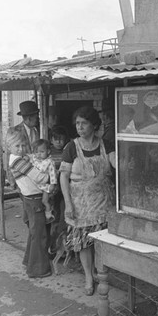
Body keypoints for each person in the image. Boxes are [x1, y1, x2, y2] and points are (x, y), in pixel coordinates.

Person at [59, 106, 115, 295]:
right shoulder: (71, 147)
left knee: (101, 242)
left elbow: (117, 163)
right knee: (83, 243)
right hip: (80, 205)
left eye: (84, 123)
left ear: (94, 125)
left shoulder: (106, 144)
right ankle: (89, 278)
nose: (80, 127)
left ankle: (101, 273)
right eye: (77, 123)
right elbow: (63, 177)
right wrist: (68, 204)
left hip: (104, 203)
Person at [6, 128, 52, 279]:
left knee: (34, 233)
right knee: (40, 235)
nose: (21, 149)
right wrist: (51, 176)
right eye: (17, 146)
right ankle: (38, 269)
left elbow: (32, 157)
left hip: (30, 199)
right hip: (34, 200)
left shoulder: (20, 158)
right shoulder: (18, 161)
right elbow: (39, 178)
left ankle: (29, 261)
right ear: (9, 147)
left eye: (23, 145)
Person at [6, 100, 40, 188]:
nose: (38, 118)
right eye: (36, 116)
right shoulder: (15, 132)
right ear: (29, 118)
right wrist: (12, 182)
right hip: (21, 176)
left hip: (33, 174)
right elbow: (8, 157)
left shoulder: (36, 130)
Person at [49, 126, 69, 252]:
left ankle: (63, 247)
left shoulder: (67, 151)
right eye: (56, 139)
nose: (58, 142)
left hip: (64, 190)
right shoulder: (47, 152)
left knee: (63, 216)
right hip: (53, 191)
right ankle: (53, 247)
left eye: (61, 139)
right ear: (51, 140)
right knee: (54, 217)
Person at [30, 139, 58, 223]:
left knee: (45, 201)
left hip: (45, 186)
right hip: (35, 185)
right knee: (37, 202)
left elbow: (53, 174)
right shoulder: (34, 159)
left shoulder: (50, 162)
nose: (39, 154)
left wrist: (53, 185)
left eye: (42, 151)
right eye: (36, 152)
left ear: (48, 151)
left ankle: (48, 214)